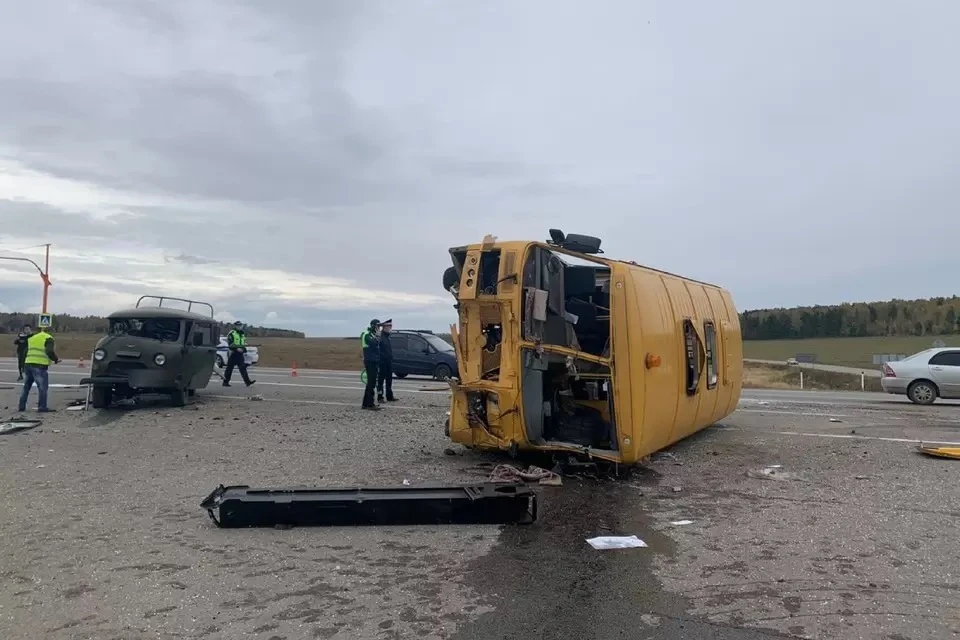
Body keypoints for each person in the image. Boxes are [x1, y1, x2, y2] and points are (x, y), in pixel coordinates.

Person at [18, 325, 61, 413]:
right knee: (42, 387)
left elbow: (25, 352)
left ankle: (21, 406)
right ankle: (42, 407)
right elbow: (49, 351)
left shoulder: (33, 338)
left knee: (26, 386)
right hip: (39, 366)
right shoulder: (48, 338)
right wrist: (56, 359)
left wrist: (22, 365)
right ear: (50, 332)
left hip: (28, 364)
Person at [222, 321, 256, 387]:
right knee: (229, 369)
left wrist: (244, 349)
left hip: (240, 353)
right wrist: (237, 349)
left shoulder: (242, 333)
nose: (239, 327)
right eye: (238, 326)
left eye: (240, 325)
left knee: (242, 368)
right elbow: (230, 343)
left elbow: (242, 343)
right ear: (235, 326)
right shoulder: (232, 333)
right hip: (233, 353)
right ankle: (225, 382)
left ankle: (247, 382)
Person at [360, 318, 381, 410]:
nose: (378, 328)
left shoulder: (372, 334)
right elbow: (374, 343)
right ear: (373, 326)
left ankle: (365, 403)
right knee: (371, 383)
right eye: (377, 326)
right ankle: (370, 404)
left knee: (371, 383)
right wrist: (378, 336)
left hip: (374, 360)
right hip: (370, 361)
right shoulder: (367, 334)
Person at [376, 319, 398, 403]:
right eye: (389, 326)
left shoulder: (387, 337)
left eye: (391, 326)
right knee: (381, 380)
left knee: (389, 380)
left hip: (388, 361)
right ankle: (380, 396)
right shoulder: (380, 336)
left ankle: (389, 396)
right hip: (382, 362)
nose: (390, 328)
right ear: (384, 327)